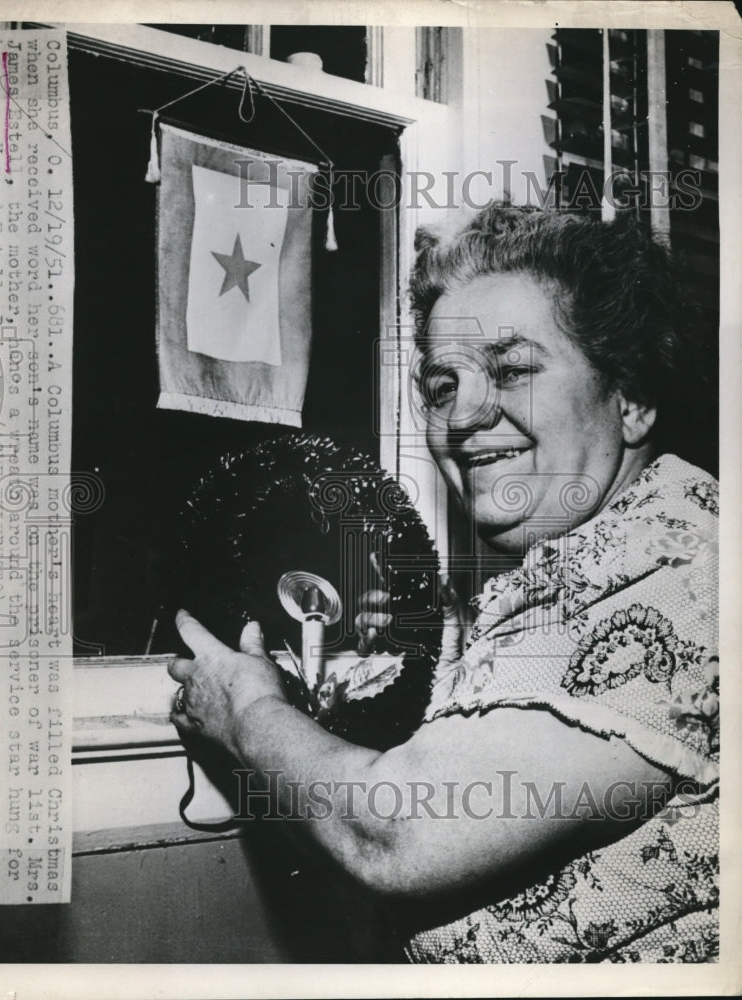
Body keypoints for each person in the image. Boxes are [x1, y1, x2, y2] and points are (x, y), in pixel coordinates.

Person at [169, 203, 719, 963]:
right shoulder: (574, 570)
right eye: (439, 385)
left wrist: (246, 710)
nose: (461, 415)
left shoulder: (681, 573)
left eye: (511, 369)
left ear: (631, 401)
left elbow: (399, 834)